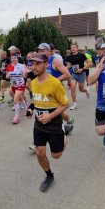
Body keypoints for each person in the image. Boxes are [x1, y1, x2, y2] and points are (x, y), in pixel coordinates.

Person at [25, 53, 70, 192]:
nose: (34, 67)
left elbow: (65, 104)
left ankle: (64, 135)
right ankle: (49, 176)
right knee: (39, 152)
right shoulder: (33, 82)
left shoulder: (55, 83)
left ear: (46, 65)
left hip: (54, 123)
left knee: (56, 155)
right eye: (32, 64)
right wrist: (30, 109)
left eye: (38, 64)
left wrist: (50, 116)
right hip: (39, 124)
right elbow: (36, 99)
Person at [65, 44, 90, 110]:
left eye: (74, 47)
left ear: (77, 48)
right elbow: (70, 65)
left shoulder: (81, 55)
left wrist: (82, 69)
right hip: (74, 74)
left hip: (81, 74)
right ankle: (75, 104)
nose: (72, 49)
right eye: (71, 48)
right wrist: (64, 68)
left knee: (81, 89)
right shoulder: (70, 57)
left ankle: (86, 90)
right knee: (72, 88)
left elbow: (89, 63)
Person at [6, 53, 28, 124]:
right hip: (13, 85)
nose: (13, 59)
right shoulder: (9, 66)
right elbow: (7, 75)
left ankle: (16, 117)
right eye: (12, 58)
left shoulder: (21, 66)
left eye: (15, 58)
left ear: (17, 59)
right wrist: (7, 76)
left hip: (20, 85)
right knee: (20, 98)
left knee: (15, 100)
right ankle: (26, 108)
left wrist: (25, 73)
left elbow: (24, 74)